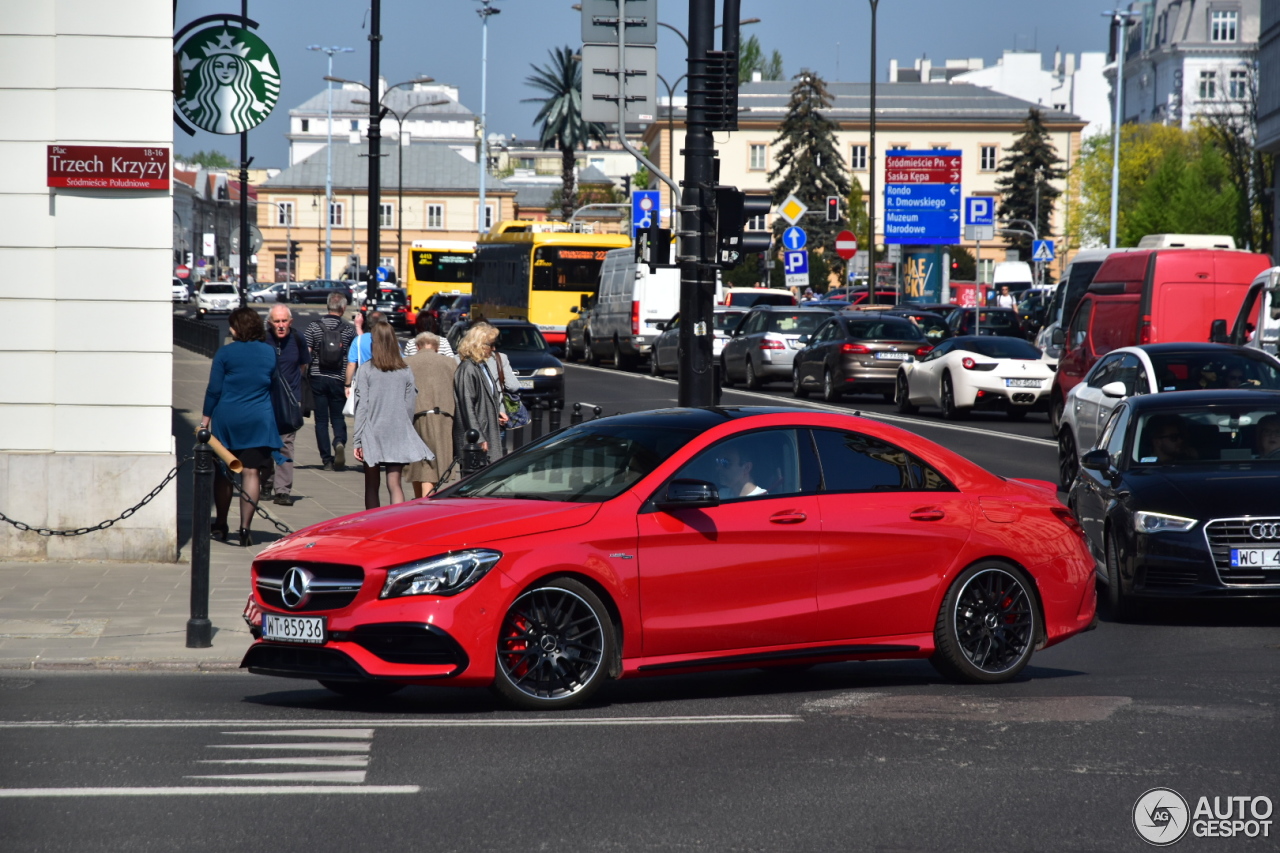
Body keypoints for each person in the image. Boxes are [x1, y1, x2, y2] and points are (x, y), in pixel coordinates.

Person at [199, 306, 281, 547]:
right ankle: (245, 527)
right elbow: (273, 384)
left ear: (237, 328)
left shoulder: (225, 354)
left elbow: (214, 390)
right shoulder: (269, 353)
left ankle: (221, 523)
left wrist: (205, 420)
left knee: (224, 474)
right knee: (251, 472)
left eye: (232, 325)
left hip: (228, 420)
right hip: (259, 419)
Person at [352, 322, 433, 508]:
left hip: (371, 432)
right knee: (394, 484)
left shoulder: (366, 369)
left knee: (371, 485)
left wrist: (357, 440)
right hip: (396, 431)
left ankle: (372, 525)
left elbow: (362, 406)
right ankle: (395, 522)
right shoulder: (405, 370)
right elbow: (410, 406)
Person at [258, 304, 311, 506]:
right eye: (276, 321)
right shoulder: (262, 340)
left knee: (286, 445)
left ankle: (282, 491)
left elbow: (303, 366)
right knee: (264, 444)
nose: (280, 325)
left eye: (284, 321)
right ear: (270, 322)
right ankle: (266, 483)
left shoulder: (298, 339)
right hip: (265, 399)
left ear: (290, 322)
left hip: (290, 401)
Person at [304, 293, 357, 471]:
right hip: (338, 378)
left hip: (318, 378)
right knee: (337, 416)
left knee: (320, 420)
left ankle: (326, 459)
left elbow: (306, 354)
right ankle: (339, 441)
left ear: (328, 306)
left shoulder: (314, 327)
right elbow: (351, 358)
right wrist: (349, 382)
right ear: (342, 309)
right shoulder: (348, 329)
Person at [405, 332, 458, 497]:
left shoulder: (406, 362)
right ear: (437, 347)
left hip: (414, 416)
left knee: (416, 464)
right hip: (443, 417)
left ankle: (420, 501)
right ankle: (424, 502)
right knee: (434, 464)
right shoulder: (450, 362)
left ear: (417, 346)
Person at [453, 323, 508, 466]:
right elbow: (467, 405)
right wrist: (478, 437)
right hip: (477, 437)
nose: (494, 349)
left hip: (486, 431)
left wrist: (495, 414)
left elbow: (486, 398)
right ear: (479, 345)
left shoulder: (481, 365)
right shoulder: (468, 368)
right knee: (474, 481)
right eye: (491, 345)